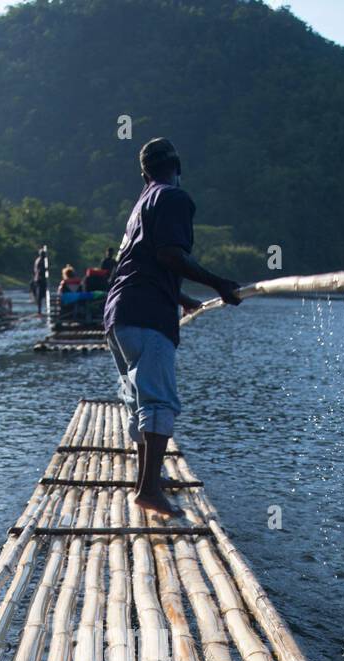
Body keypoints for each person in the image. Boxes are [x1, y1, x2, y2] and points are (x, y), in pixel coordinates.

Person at [104, 138, 241, 517]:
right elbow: (169, 254)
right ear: (177, 167)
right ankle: (148, 489)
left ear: (144, 172)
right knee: (159, 401)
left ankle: (146, 481)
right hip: (146, 316)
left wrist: (180, 299)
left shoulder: (140, 206)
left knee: (139, 402)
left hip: (120, 316)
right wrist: (220, 284)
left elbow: (143, 262)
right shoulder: (174, 198)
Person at [31, 248, 47, 316]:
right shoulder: (41, 261)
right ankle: (39, 311)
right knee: (40, 295)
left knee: (41, 295)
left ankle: (41, 310)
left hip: (38, 279)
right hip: (40, 280)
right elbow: (40, 270)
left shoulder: (39, 260)